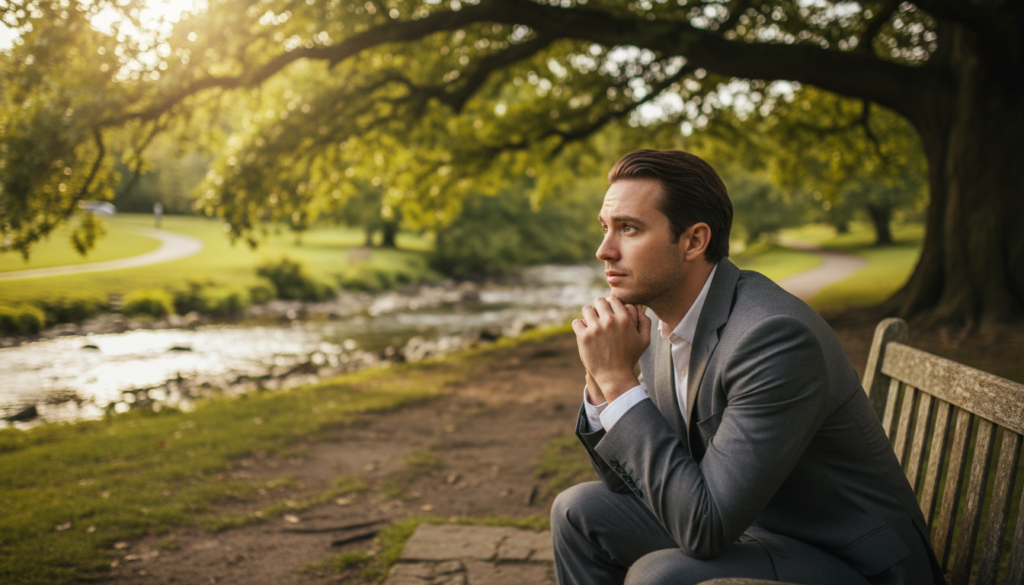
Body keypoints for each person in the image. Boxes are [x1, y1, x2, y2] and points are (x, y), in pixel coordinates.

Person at [553, 149, 942, 585]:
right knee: (577, 512)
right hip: (753, 529)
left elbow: (705, 529)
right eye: (606, 228)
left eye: (629, 229)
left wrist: (617, 380)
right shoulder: (658, 322)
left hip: (854, 562)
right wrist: (601, 378)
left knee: (661, 575)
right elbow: (627, 478)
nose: (604, 250)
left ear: (694, 241)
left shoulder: (773, 337)